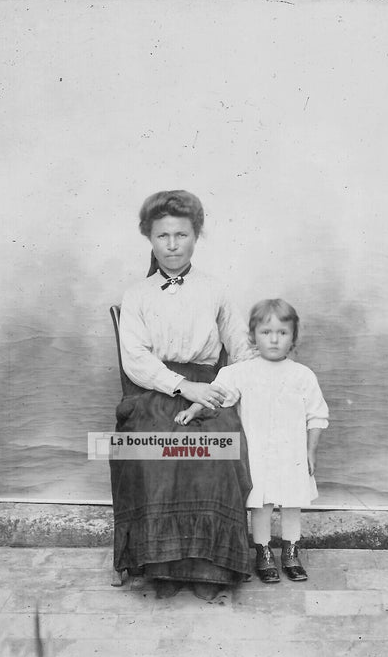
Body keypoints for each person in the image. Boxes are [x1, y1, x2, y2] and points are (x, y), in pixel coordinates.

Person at [110, 190, 254, 601]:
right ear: (150, 240)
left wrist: (222, 389)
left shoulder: (216, 289)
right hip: (154, 387)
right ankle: (160, 565)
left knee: (219, 446)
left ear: (196, 237)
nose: (172, 245)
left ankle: (212, 566)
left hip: (209, 388)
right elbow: (135, 358)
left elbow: (242, 349)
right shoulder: (137, 294)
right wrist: (180, 386)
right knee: (151, 443)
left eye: (181, 235)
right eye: (162, 236)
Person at [175, 298, 329, 583]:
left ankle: (291, 553)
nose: (274, 340)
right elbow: (216, 393)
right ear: (253, 336)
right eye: (266, 332)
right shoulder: (242, 372)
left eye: (282, 333)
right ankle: (263, 552)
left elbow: (317, 416)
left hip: (291, 453)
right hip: (258, 452)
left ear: (293, 337)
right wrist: (193, 408)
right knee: (262, 504)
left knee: (292, 502)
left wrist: (310, 451)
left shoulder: (302, 375)